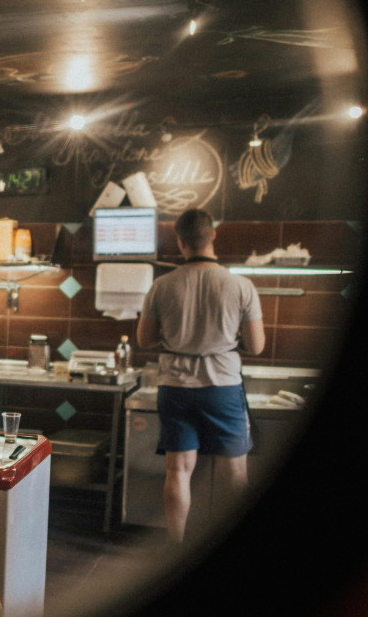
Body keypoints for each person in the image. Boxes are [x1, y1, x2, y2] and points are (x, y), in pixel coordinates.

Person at [136, 208, 266, 544]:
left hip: (176, 387)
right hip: (223, 387)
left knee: (178, 470)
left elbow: (144, 340)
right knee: (235, 475)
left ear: (180, 242)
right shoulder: (241, 285)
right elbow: (256, 345)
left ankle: (177, 545)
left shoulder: (161, 286)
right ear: (213, 236)